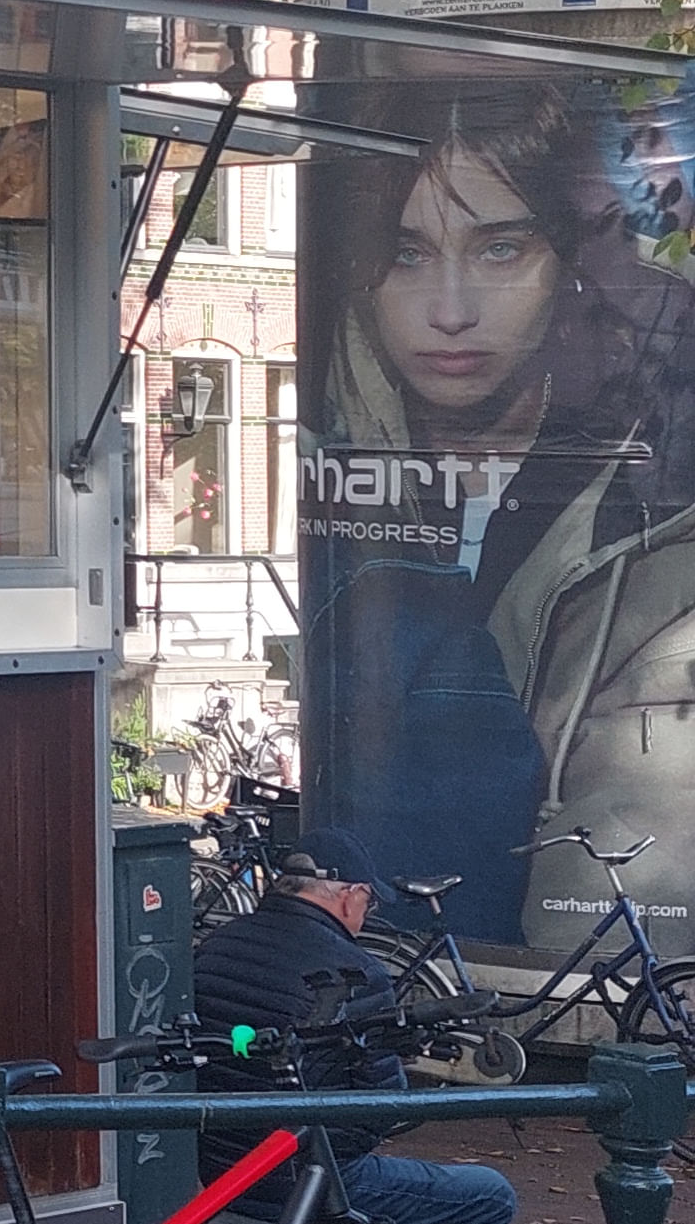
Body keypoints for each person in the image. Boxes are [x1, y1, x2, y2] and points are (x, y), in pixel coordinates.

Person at [305, 80, 695, 940]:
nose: (449, 312)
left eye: (501, 249)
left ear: (571, 264)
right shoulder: (340, 453)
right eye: (405, 253)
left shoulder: (657, 497)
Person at [191, 828, 516, 1224]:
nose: (367, 914)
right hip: (306, 1180)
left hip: (219, 1169)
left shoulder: (217, 943)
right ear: (349, 895)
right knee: (489, 1193)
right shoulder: (355, 972)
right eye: (370, 901)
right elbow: (377, 1114)